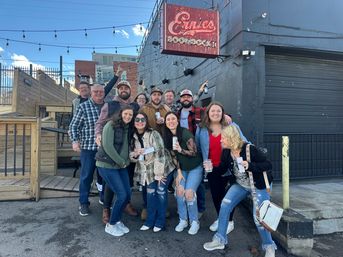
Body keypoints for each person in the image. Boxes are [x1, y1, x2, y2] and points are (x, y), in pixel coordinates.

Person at [203, 125, 276, 257]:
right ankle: (220, 239)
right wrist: (210, 169)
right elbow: (222, 169)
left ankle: (269, 246)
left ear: (231, 138)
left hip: (258, 186)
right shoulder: (226, 152)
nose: (221, 141)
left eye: (223, 138)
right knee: (225, 205)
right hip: (241, 185)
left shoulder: (249, 149)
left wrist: (250, 166)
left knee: (259, 218)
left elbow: (268, 164)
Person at [95, 80, 140, 221]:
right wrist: (98, 135)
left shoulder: (135, 106)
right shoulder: (109, 105)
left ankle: (125, 204)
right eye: (121, 88)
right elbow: (100, 123)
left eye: (126, 87)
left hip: (128, 149)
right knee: (110, 182)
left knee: (127, 180)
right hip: (111, 151)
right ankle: (106, 209)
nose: (124, 90)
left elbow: (140, 122)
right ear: (118, 90)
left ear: (130, 90)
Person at [130, 112, 175, 232]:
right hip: (147, 169)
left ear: (146, 122)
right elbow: (130, 155)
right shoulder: (133, 136)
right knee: (150, 194)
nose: (140, 122)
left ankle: (160, 222)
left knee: (160, 192)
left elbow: (160, 153)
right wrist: (134, 154)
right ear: (134, 122)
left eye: (142, 119)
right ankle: (150, 220)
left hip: (163, 167)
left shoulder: (153, 133)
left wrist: (159, 174)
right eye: (137, 120)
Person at [196, 102, 235, 234]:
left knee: (228, 197)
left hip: (228, 167)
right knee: (216, 196)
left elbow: (242, 140)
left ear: (223, 113)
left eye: (218, 111)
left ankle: (229, 221)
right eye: (212, 111)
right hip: (212, 168)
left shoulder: (230, 125)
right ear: (208, 113)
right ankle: (221, 218)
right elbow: (198, 147)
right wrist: (203, 162)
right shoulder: (201, 128)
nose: (215, 113)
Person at [95, 106, 134, 237]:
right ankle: (111, 225)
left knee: (127, 194)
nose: (128, 116)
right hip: (107, 165)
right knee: (122, 194)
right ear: (121, 113)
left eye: (130, 115)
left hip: (120, 165)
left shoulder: (127, 127)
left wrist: (127, 160)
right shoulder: (110, 125)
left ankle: (116, 221)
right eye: (126, 113)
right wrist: (122, 162)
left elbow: (125, 147)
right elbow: (108, 147)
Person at [163, 112, 203, 235]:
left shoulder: (185, 132)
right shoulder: (168, 136)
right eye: (168, 119)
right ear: (165, 123)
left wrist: (181, 149)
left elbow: (194, 152)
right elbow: (174, 157)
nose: (171, 121)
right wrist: (179, 172)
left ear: (177, 121)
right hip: (182, 169)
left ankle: (194, 221)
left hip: (195, 167)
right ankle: (183, 219)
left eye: (173, 119)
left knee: (189, 193)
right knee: (179, 191)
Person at [68, 84, 105, 216]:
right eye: (96, 91)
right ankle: (83, 203)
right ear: (91, 92)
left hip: (104, 149)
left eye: (101, 91)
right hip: (88, 148)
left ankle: (103, 197)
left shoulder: (108, 107)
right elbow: (73, 126)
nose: (99, 94)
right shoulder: (83, 107)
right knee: (86, 176)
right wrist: (74, 141)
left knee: (104, 176)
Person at [178, 88, 206, 218]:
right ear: (180, 99)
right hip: (182, 150)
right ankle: (184, 208)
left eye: (188, 97)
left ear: (192, 98)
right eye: (183, 97)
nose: (186, 99)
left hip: (198, 149)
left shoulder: (200, 111)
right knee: (183, 181)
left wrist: (227, 116)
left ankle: (200, 208)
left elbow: (215, 112)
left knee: (198, 183)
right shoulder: (176, 114)